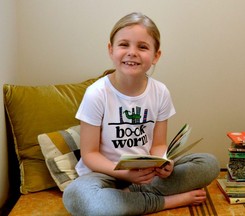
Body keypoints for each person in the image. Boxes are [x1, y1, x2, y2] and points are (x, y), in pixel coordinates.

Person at [63, 12, 220, 216]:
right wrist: (124, 174)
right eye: (124, 45)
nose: (132, 52)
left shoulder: (160, 92)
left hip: (146, 174)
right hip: (105, 175)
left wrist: (163, 162)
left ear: (156, 56)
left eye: (143, 47)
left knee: (209, 164)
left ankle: (127, 197)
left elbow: (158, 145)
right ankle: (165, 201)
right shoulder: (96, 93)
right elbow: (89, 154)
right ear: (111, 50)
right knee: (75, 196)